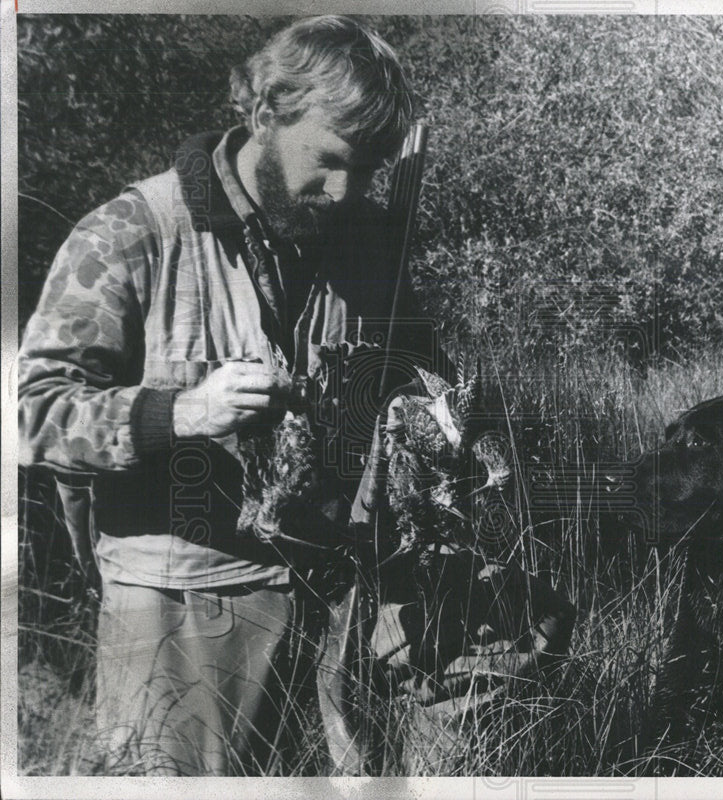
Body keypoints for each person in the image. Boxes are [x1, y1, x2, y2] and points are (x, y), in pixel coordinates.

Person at [18, 15, 435, 776]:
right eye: (330, 160)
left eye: (368, 168)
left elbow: (416, 391)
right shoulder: (131, 233)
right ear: (264, 112)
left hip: (336, 620)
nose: (345, 191)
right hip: (180, 620)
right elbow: (31, 415)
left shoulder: (368, 242)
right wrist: (181, 412)